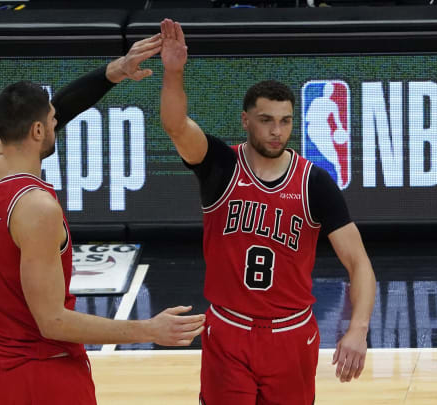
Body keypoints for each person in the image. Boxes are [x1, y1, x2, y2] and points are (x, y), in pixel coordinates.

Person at [0, 33, 205, 405]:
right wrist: (148, 329)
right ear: (38, 131)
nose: (58, 122)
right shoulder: (35, 207)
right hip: (39, 371)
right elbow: (52, 322)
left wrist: (114, 72)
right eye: (51, 121)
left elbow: (61, 106)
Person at [159, 19, 376, 405]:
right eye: (266, 121)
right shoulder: (220, 166)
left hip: (291, 334)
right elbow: (176, 126)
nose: (277, 131)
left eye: (285, 121)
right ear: (246, 121)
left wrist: (357, 329)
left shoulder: (314, 182)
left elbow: (358, 262)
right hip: (228, 330)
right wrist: (173, 73)